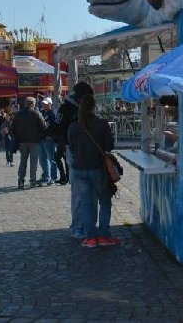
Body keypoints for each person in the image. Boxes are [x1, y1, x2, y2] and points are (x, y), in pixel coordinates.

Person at [67, 93, 119, 248]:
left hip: (79, 169)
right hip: (98, 169)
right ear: (94, 107)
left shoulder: (73, 126)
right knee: (104, 201)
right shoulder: (102, 124)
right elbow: (109, 147)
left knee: (87, 203)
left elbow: (72, 147)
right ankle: (104, 236)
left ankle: (90, 238)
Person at [55, 81, 94, 238]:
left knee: (87, 192)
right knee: (78, 191)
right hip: (74, 152)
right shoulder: (66, 109)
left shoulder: (82, 108)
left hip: (86, 153)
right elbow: (56, 129)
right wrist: (68, 143)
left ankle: (85, 224)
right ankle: (78, 226)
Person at [10, 96, 46, 189]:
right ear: (33, 104)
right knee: (33, 163)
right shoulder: (36, 113)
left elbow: (13, 128)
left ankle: (21, 181)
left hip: (22, 141)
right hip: (35, 141)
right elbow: (44, 127)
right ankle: (32, 181)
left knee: (23, 162)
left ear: (25, 104)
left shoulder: (18, 114)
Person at [38, 98, 58, 185]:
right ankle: (46, 176)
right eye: (43, 104)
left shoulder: (52, 114)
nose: (44, 105)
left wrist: (51, 136)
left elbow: (55, 126)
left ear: (50, 104)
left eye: (46, 104)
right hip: (42, 138)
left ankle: (54, 177)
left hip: (48, 140)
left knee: (52, 158)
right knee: (42, 159)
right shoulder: (42, 113)